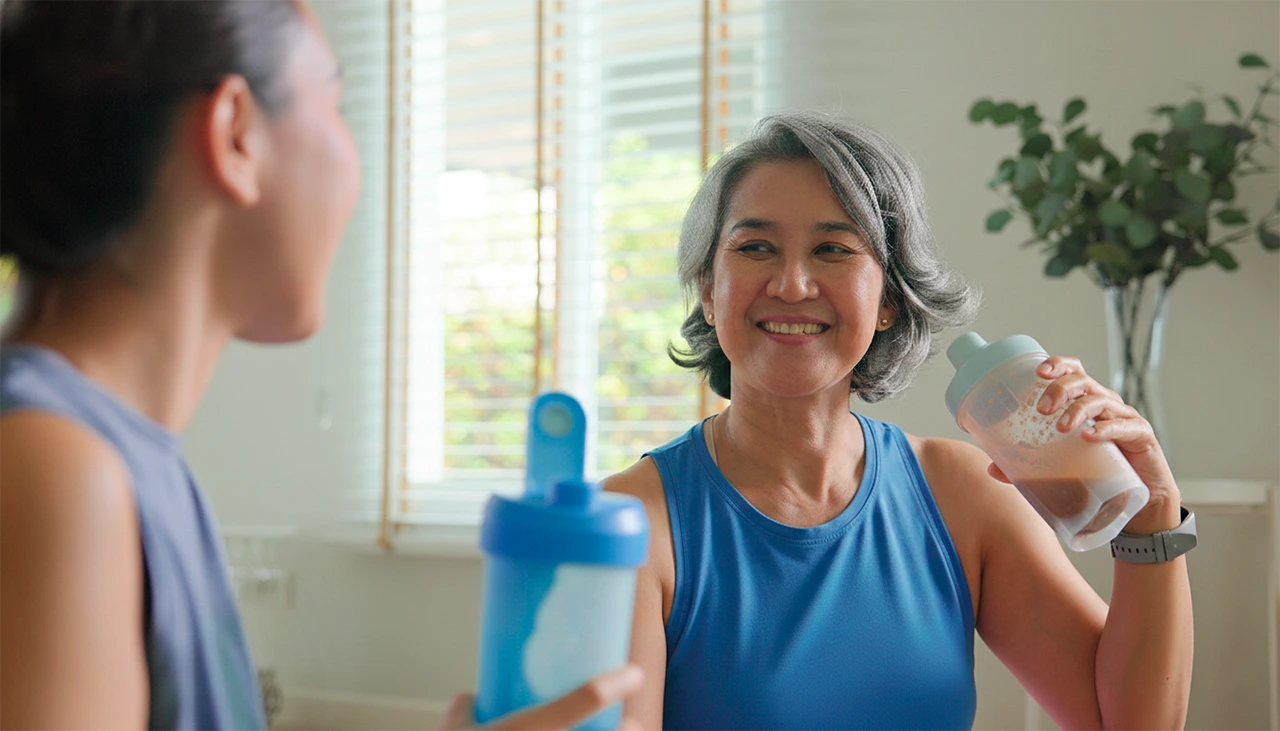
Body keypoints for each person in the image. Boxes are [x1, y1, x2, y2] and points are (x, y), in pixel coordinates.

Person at [0, 2, 641, 730]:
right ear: (235, 132)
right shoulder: (53, 467)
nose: (355, 164)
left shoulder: (131, 465)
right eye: (334, 104)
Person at [606, 113, 1194, 730]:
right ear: (708, 287)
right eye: (756, 247)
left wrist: (1155, 512)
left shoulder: (965, 495)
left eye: (833, 248)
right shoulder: (629, 525)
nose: (792, 283)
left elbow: (1131, 724)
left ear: (889, 299)